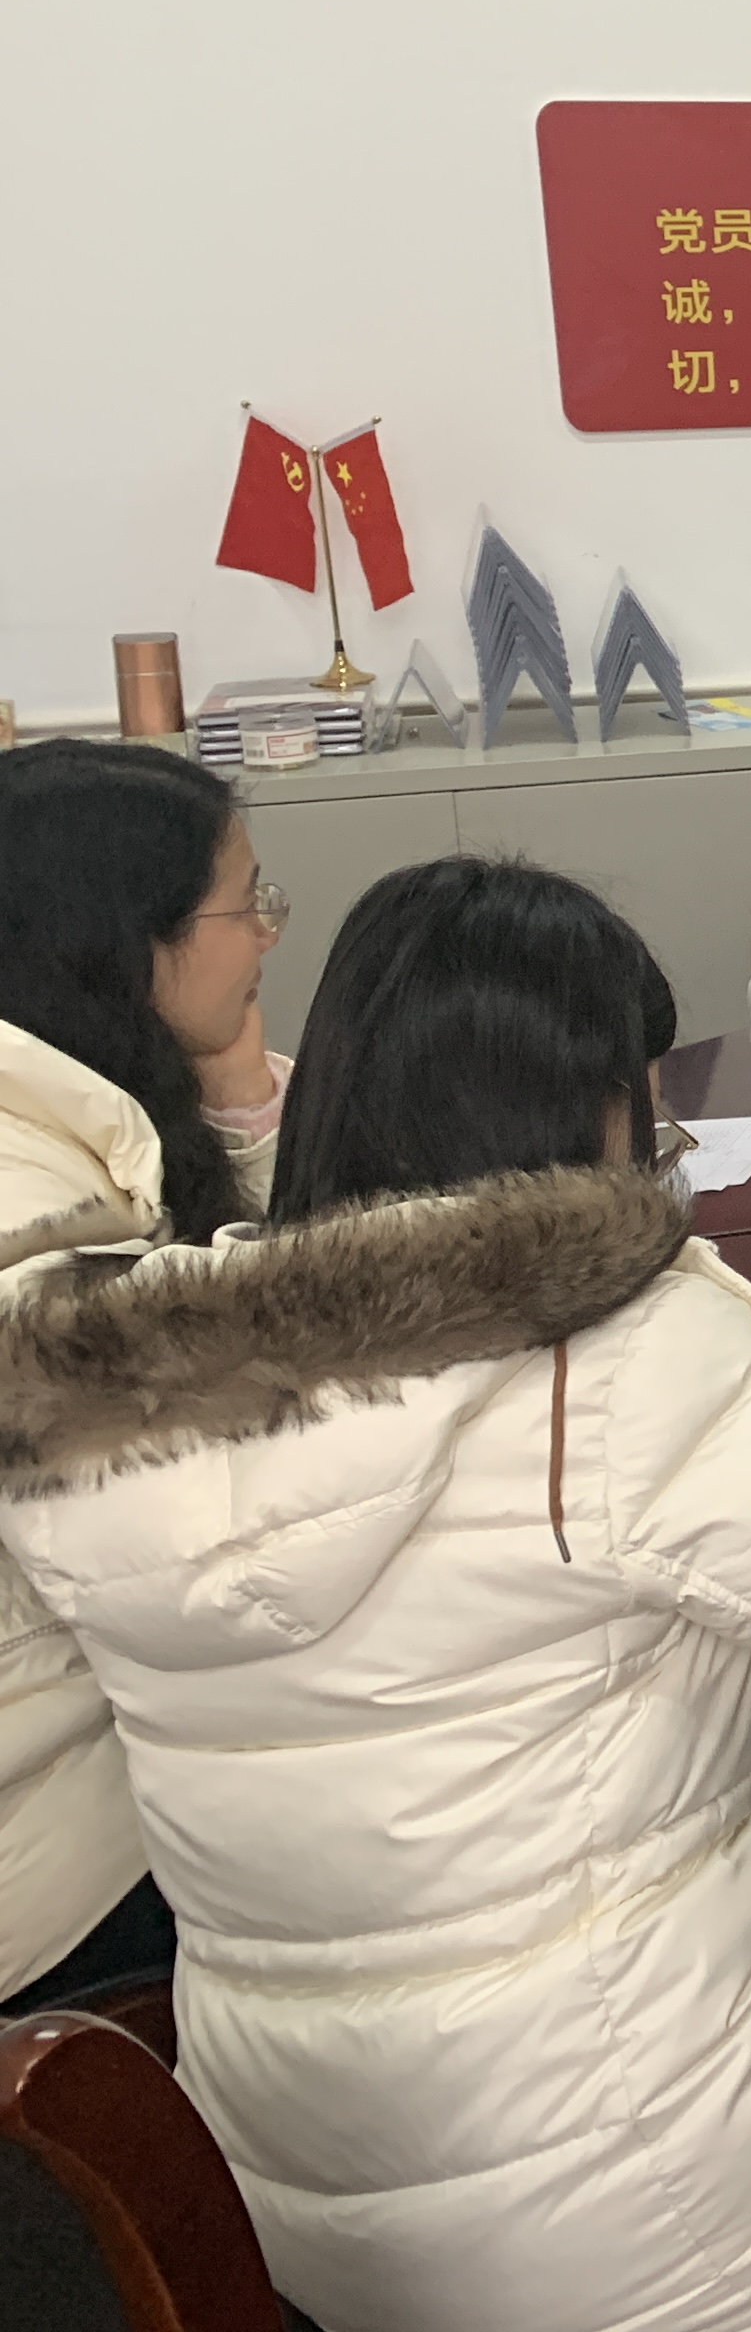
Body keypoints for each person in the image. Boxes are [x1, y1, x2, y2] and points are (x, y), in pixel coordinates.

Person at [0, 856, 751, 2332]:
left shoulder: (112, 1400)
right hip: (668, 2218)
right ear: (593, 1117)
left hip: (305, 2218)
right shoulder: (615, 1359)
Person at [0, 744, 292, 2016]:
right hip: (63, 1864)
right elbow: (236, 1492)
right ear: (127, 947)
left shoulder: (75, 1118)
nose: (268, 936)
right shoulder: (25, 1215)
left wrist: (240, 1104)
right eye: (244, 905)